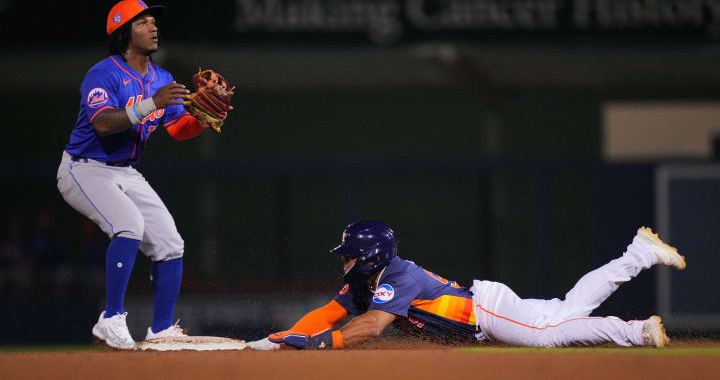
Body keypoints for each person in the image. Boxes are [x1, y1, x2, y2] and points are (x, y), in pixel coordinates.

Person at [247, 220, 686, 350]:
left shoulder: (396, 275)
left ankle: (633, 331)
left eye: (350, 254)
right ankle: (640, 254)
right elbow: (329, 313)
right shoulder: (364, 279)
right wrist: (291, 336)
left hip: (483, 312)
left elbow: (374, 326)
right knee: (567, 308)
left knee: (548, 338)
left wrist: (327, 344)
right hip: (485, 307)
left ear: (371, 256)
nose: (344, 261)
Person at [56, 0, 209, 349]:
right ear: (123, 32)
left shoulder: (161, 77)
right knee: (128, 226)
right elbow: (103, 123)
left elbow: (176, 129)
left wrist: (200, 119)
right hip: (84, 168)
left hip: (125, 172)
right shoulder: (103, 73)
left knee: (170, 243)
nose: (153, 26)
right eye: (143, 22)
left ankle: (161, 330)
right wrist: (152, 103)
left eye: (154, 21)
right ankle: (110, 319)